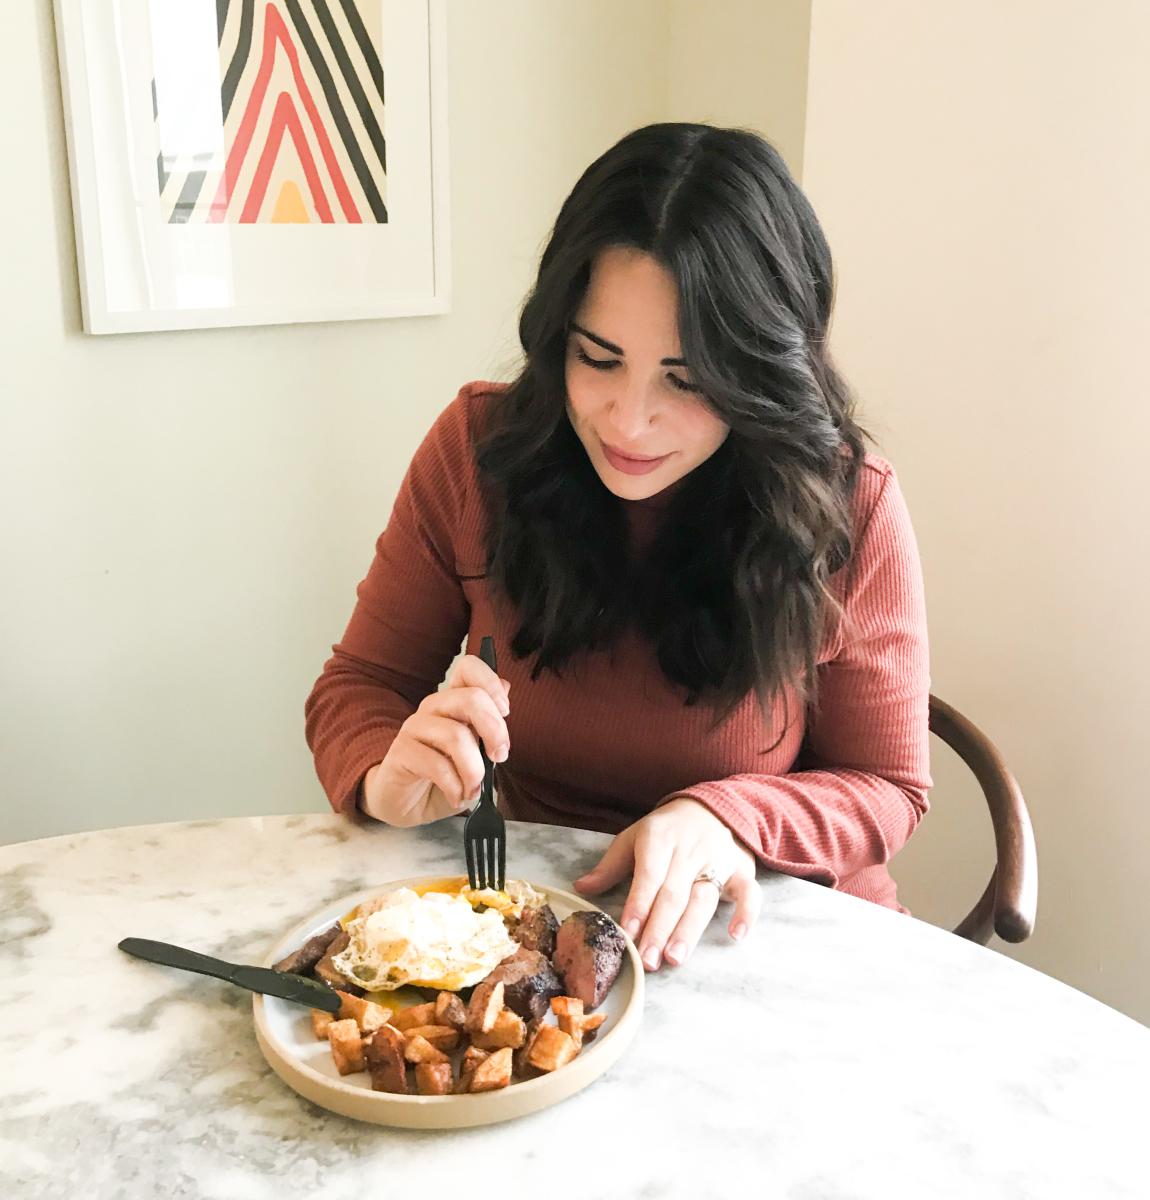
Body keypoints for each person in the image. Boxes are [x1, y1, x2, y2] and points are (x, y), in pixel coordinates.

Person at [305, 122, 931, 974]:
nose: (629, 422)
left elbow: (889, 787)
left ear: (762, 375)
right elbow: (362, 685)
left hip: (774, 937)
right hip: (546, 931)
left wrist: (728, 816)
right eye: (597, 359)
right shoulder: (479, 452)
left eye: (689, 380)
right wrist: (388, 777)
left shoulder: (847, 503)